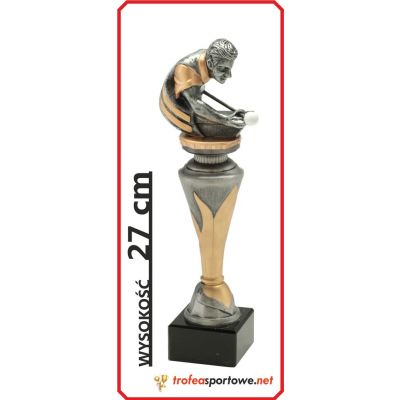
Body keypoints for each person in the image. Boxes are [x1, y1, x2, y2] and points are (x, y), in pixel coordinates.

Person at [160, 39, 245, 137]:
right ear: (210, 64)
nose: (229, 75)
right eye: (223, 69)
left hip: (192, 101)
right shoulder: (186, 69)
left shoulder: (208, 56)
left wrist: (229, 115)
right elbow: (196, 105)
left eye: (229, 68)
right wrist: (225, 120)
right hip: (178, 112)